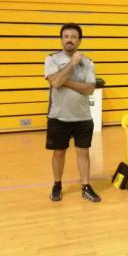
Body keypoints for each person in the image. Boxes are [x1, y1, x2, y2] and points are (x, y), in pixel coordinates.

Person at [44, 23, 100, 202]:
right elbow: (54, 82)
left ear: (79, 41)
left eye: (73, 37)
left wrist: (62, 81)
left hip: (83, 117)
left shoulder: (88, 62)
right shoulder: (51, 59)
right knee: (58, 153)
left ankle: (85, 186)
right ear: (61, 39)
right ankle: (57, 184)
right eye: (66, 36)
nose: (69, 40)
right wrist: (72, 63)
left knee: (83, 153)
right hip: (58, 116)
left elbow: (90, 89)